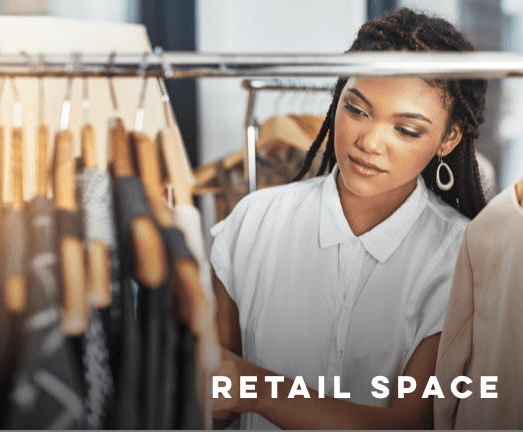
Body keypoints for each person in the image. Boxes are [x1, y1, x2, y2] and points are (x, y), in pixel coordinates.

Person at [209, 7, 488, 430]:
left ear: (448, 138)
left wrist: (260, 389)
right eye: (357, 109)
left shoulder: (460, 257)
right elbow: (215, 400)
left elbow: (409, 423)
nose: (370, 142)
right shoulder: (252, 223)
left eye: (406, 130)